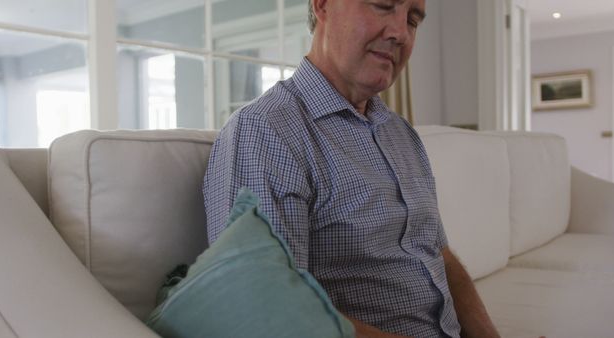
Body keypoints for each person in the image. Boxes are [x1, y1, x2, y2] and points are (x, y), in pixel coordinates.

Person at [203, 0, 500, 337]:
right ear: (322, 5)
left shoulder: (401, 133)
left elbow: (440, 254)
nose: (401, 33)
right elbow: (269, 311)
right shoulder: (267, 130)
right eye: (383, 5)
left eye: (413, 20)